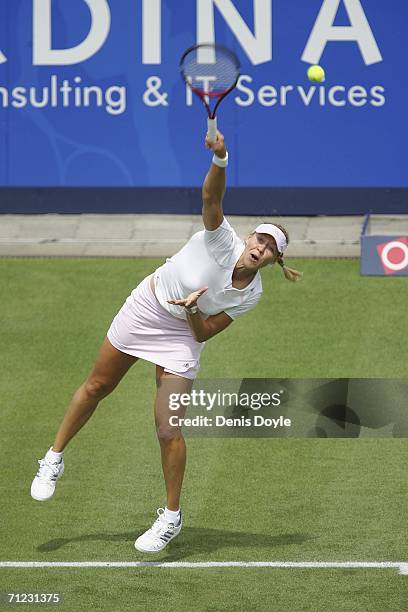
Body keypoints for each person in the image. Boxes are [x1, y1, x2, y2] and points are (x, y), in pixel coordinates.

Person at [30, 130, 302, 553]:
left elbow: (204, 332)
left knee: (168, 426)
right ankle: (53, 458)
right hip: (147, 307)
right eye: (259, 239)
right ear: (249, 238)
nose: (261, 248)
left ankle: (171, 518)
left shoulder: (251, 294)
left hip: (182, 333)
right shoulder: (220, 238)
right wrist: (222, 159)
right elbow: (211, 200)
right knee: (98, 385)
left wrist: (194, 309)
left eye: (270, 248)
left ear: (274, 260)